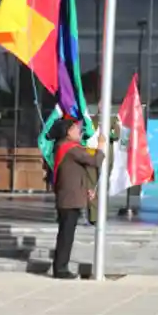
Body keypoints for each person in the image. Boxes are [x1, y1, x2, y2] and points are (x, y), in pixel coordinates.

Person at [51, 117, 106, 280]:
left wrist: (86, 190)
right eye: (76, 129)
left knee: (65, 235)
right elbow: (95, 160)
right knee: (66, 236)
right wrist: (101, 146)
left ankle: (60, 266)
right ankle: (60, 269)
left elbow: (76, 174)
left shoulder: (66, 147)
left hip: (69, 197)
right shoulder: (69, 148)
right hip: (69, 200)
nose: (79, 131)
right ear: (68, 132)